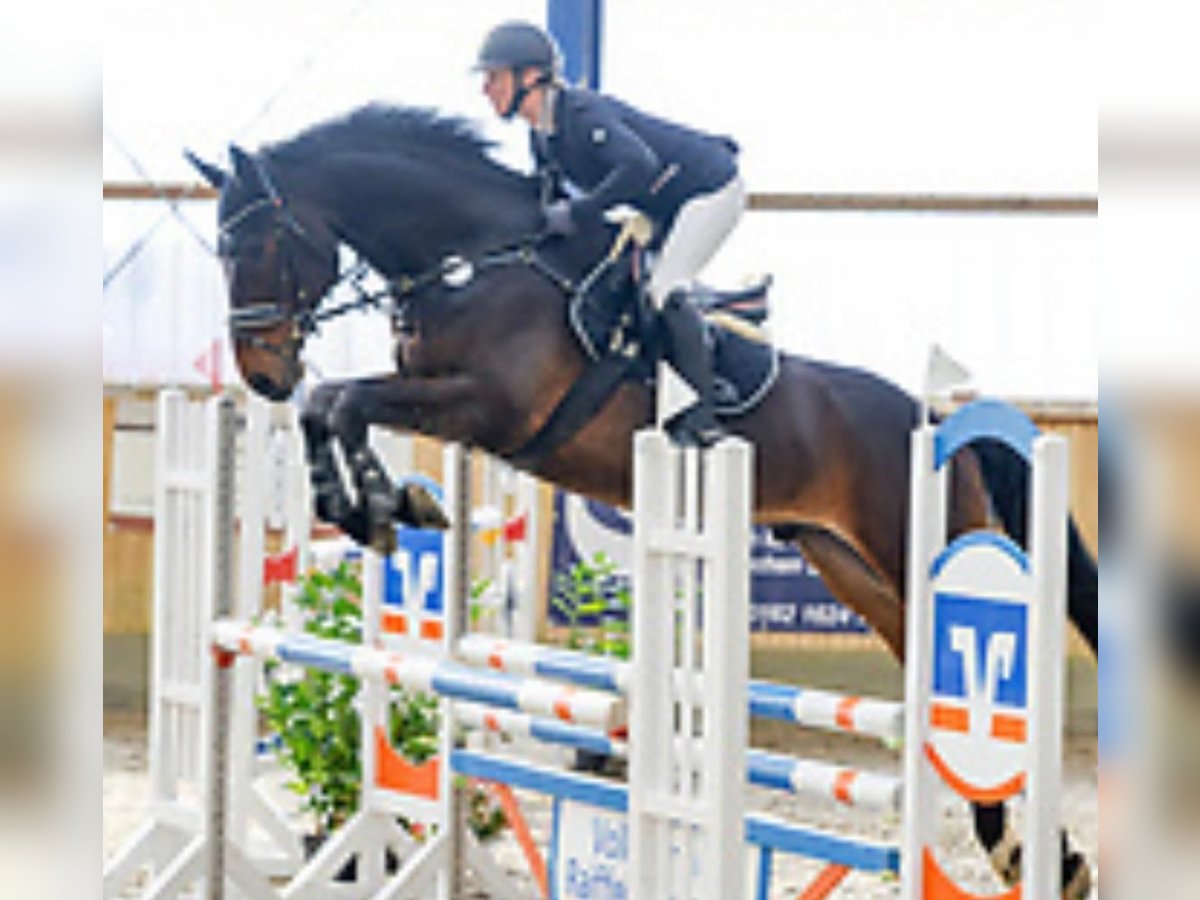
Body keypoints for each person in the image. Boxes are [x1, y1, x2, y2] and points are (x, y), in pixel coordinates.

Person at [475, 20, 746, 447]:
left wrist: (578, 212)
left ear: (530, 77)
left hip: (708, 191)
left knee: (664, 288)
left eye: (494, 76)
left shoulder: (582, 114)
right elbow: (546, 206)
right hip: (664, 206)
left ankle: (702, 410)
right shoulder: (543, 138)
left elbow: (638, 168)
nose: (486, 89)